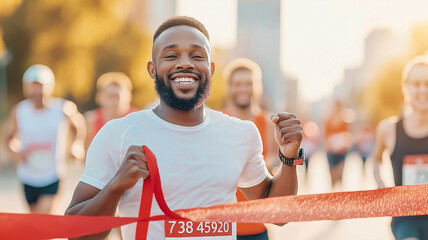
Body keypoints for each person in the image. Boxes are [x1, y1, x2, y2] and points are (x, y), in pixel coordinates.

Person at [65, 16, 304, 240]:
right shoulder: (118, 133)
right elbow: (75, 232)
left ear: (210, 68)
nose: (185, 63)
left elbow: (277, 215)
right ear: (152, 69)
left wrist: (289, 156)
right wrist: (116, 185)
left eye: (197, 56)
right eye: (171, 56)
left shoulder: (241, 133)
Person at [1, 64, 86, 214]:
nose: (36, 91)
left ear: (49, 87)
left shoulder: (62, 108)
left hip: (52, 176)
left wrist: (76, 145)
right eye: (32, 86)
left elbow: (78, 125)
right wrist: (15, 153)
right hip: (27, 177)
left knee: (43, 217)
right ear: (25, 88)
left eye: (40, 86)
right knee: (37, 223)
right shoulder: (19, 111)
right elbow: (7, 138)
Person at [373, 55, 428, 240]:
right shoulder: (388, 130)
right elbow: (376, 161)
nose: (423, 90)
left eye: (427, 83)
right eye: (417, 83)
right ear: (406, 87)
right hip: (405, 218)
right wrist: (381, 187)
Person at [222, 58, 277, 240]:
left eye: (249, 83)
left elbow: (274, 168)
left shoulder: (269, 123)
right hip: (221, 227)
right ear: (229, 87)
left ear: (257, 87)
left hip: (256, 226)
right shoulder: (217, 122)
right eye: (238, 83)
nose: (243, 89)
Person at [84, 72, 139, 150]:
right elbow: (85, 153)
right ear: (99, 97)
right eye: (110, 96)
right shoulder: (91, 120)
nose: (114, 101)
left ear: (128, 97)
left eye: (117, 96)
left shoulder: (138, 120)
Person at [323, 100, 353, 188]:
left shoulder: (345, 120)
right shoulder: (329, 120)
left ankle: (339, 193)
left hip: (341, 150)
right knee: (332, 174)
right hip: (331, 150)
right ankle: (333, 193)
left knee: (340, 174)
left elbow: (348, 133)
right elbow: (325, 135)